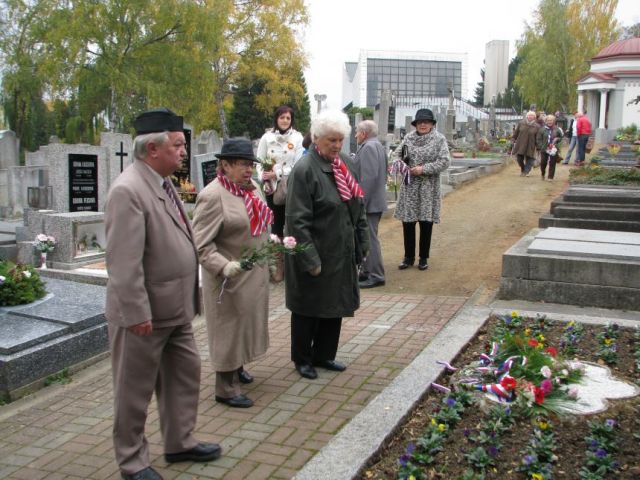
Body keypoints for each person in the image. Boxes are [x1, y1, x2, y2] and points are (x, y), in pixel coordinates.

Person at [105, 108, 221, 480]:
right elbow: (124, 262)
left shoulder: (162, 181)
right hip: (144, 315)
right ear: (152, 148)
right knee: (133, 390)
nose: (183, 152)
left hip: (175, 310)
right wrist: (137, 312)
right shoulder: (128, 190)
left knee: (185, 375)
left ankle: (179, 442)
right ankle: (132, 461)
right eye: (177, 145)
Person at [284, 110, 369, 380]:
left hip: (341, 249)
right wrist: (310, 259)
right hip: (317, 249)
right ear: (317, 139)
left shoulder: (344, 163)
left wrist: (362, 242)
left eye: (340, 140)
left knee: (335, 304)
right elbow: (297, 221)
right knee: (308, 307)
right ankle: (302, 358)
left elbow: (358, 204)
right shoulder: (304, 170)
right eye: (331, 140)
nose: (337, 146)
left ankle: (324, 355)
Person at [191, 138, 273, 409]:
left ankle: (237, 367)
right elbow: (201, 244)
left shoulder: (252, 189)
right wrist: (224, 266)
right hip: (229, 278)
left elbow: (260, 226)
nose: (248, 169)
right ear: (224, 165)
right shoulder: (213, 195)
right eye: (241, 164)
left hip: (253, 274)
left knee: (246, 324)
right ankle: (224, 387)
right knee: (228, 327)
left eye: (250, 164)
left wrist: (272, 252)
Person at [392, 108, 450, 271]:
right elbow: (397, 156)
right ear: (416, 124)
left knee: (426, 222)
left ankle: (423, 257)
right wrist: (403, 165)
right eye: (420, 122)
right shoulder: (409, 139)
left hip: (428, 187)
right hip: (410, 186)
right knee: (408, 222)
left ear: (432, 124)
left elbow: (445, 161)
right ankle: (408, 257)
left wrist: (423, 169)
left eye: (426, 122)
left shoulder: (439, 140)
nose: (423, 124)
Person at [256, 105, 305, 238]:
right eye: (282, 117)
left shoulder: (298, 138)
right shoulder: (266, 137)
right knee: (274, 220)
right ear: (276, 119)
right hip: (271, 186)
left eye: (288, 118)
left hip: (289, 185)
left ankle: (288, 250)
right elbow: (259, 161)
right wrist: (264, 176)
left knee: (288, 218)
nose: (285, 120)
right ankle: (276, 250)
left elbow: (298, 164)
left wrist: (278, 173)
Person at [353, 119, 388, 289]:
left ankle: (376, 275)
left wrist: (361, 202)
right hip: (375, 200)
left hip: (370, 202)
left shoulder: (369, 147)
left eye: (357, 132)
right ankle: (367, 271)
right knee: (365, 237)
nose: (355, 135)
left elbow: (368, 178)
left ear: (364, 133)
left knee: (370, 239)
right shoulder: (376, 145)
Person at [512, 111, 540, 177]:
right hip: (520, 143)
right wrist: (513, 139)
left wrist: (538, 146)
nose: (530, 117)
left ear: (534, 117)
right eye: (529, 115)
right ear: (527, 116)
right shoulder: (521, 123)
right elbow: (516, 132)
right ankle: (523, 168)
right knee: (519, 158)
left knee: (529, 159)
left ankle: (526, 171)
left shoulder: (537, 126)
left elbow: (538, 137)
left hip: (531, 144)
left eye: (532, 116)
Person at [537, 114, 563, 181]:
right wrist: (541, 146)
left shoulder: (557, 129)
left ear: (554, 121)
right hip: (544, 148)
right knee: (543, 162)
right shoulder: (542, 129)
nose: (549, 122)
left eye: (551, 120)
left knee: (552, 162)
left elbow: (561, 137)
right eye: (548, 120)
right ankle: (543, 173)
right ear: (546, 121)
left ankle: (550, 177)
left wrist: (557, 139)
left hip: (553, 149)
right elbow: (538, 139)